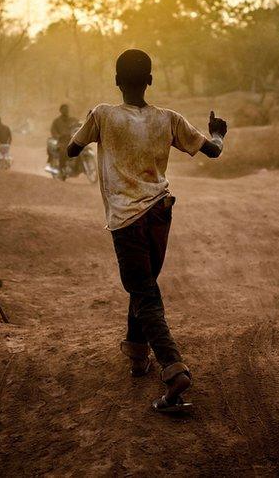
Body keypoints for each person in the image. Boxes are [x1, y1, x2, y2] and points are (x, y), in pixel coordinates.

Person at [66, 49, 227, 413]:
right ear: (151, 81)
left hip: (126, 220)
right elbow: (213, 151)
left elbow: (71, 151)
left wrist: (86, 129)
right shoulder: (169, 119)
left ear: (116, 81)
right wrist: (218, 132)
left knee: (144, 291)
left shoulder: (102, 115)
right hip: (160, 214)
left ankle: (173, 369)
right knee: (143, 285)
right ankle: (138, 355)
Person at [49, 104, 79, 173]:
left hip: (72, 139)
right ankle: (62, 168)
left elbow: (80, 124)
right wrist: (58, 136)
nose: (66, 110)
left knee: (82, 148)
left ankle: (77, 167)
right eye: (64, 109)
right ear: (61, 111)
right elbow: (53, 131)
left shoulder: (73, 119)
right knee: (63, 151)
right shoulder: (56, 121)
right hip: (62, 141)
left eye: (67, 109)